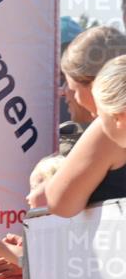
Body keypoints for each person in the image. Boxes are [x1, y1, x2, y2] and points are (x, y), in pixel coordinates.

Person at [42, 56, 126, 216]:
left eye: (99, 113)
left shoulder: (110, 137)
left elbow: (60, 203)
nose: (94, 116)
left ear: (118, 117)